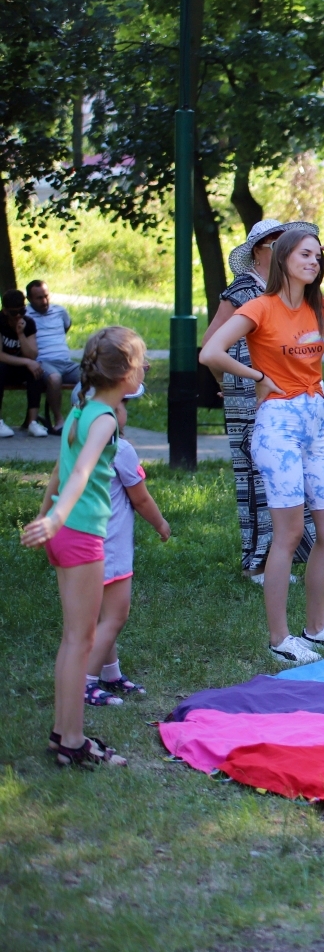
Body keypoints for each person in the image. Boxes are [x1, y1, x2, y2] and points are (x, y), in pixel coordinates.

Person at [200, 228, 324, 665]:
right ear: (282, 259)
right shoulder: (259, 306)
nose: (314, 262)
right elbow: (211, 351)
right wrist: (258, 378)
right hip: (277, 426)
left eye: (318, 257)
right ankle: (280, 640)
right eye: (306, 255)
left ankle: (316, 630)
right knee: (290, 532)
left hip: (315, 424)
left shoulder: (318, 304)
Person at [20, 326, 148, 768]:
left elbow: (60, 467)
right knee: (80, 640)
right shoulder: (105, 419)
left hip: (64, 530)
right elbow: (80, 471)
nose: (145, 368)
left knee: (73, 639)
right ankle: (72, 743)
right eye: (141, 361)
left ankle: (63, 733)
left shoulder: (81, 409)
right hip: (79, 534)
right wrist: (54, 517)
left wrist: (45, 513)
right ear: (126, 373)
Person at [207, 218, 320, 582]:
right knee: (256, 476)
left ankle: (283, 554)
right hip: (249, 393)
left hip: (286, 394)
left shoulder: (290, 290)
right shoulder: (242, 290)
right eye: (276, 241)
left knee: (285, 476)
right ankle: (255, 561)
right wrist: (230, 384)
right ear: (258, 249)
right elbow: (211, 341)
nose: (283, 246)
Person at [84, 381, 170, 706]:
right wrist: (161, 524)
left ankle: (110, 674)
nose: (125, 413)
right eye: (123, 406)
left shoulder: (80, 441)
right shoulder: (120, 449)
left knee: (104, 616)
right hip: (113, 548)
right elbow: (142, 500)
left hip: (86, 544)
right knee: (116, 617)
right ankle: (86, 683)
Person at [26, 280, 77, 434]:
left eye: (46, 296)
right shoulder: (26, 315)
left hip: (66, 362)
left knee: (92, 376)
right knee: (54, 379)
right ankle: (59, 420)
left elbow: (66, 326)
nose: (44, 301)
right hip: (43, 362)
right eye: (39, 298)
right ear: (29, 299)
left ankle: (82, 419)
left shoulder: (60, 311)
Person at [1, 288, 47, 437]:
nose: (19, 316)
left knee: (36, 371)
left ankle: (32, 422)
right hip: (4, 366)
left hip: (19, 367)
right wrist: (27, 362)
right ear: (5, 311)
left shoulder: (28, 323)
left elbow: (32, 354)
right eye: (14, 313)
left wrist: (20, 334)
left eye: (22, 311)